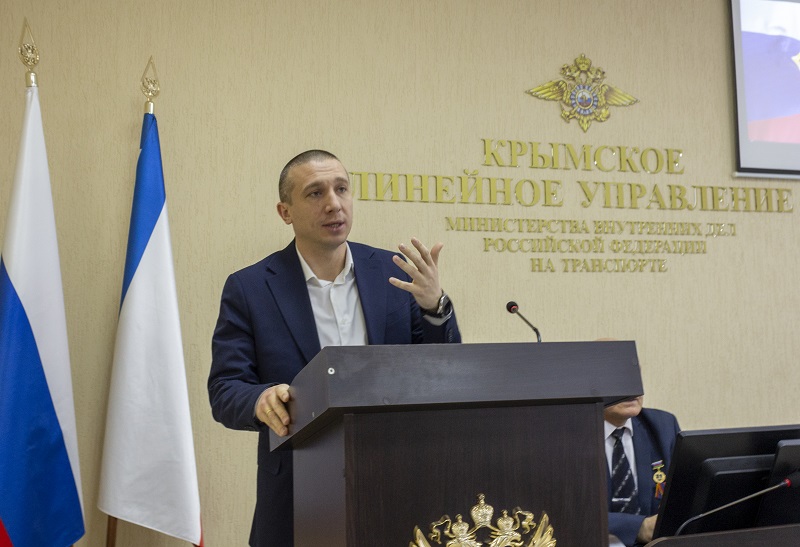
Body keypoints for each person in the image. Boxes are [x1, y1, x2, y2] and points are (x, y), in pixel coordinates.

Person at [208, 149, 461, 547]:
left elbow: (444, 371)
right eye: (315, 193)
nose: (333, 203)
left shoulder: (394, 274)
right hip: (297, 493)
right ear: (285, 212)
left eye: (341, 189)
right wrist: (260, 400)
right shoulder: (251, 288)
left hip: (398, 481)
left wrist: (435, 307)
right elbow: (225, 389)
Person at [605, 396, 680, 547]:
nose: (632, 392)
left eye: (635, 383)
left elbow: (683, 500)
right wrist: (639, 527)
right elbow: (565, 513)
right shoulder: (566, 435)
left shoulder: (663, 427)